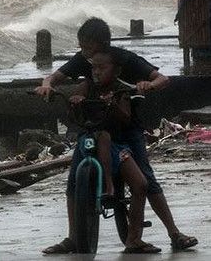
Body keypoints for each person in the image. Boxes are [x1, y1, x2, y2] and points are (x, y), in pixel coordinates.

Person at [37, 17, 198, 254]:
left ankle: (174, 233)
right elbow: (54, 77)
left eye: (89, 48)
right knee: (73, 180)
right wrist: (47, 85)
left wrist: (147, 86)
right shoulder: (85, 61)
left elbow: (161, 79)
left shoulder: (125, 60)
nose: (87, 57)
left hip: (126, 129)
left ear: (103, 45)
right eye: (82, 48)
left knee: (145, 178)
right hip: (97, 127)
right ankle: (73, 237)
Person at [68, 49, 155, 252]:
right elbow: (74, 103)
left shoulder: (120, 90)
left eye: (102, 68)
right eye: (93, 68)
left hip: (116, 147)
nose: (96, 72)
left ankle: (134, 238)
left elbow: (125, 116)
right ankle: (107, 187)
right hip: (89, 141)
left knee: (140, 184)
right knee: (73, 181)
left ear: (115, 71)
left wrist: (113, 104)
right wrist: (75, 102)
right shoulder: (86, 85)